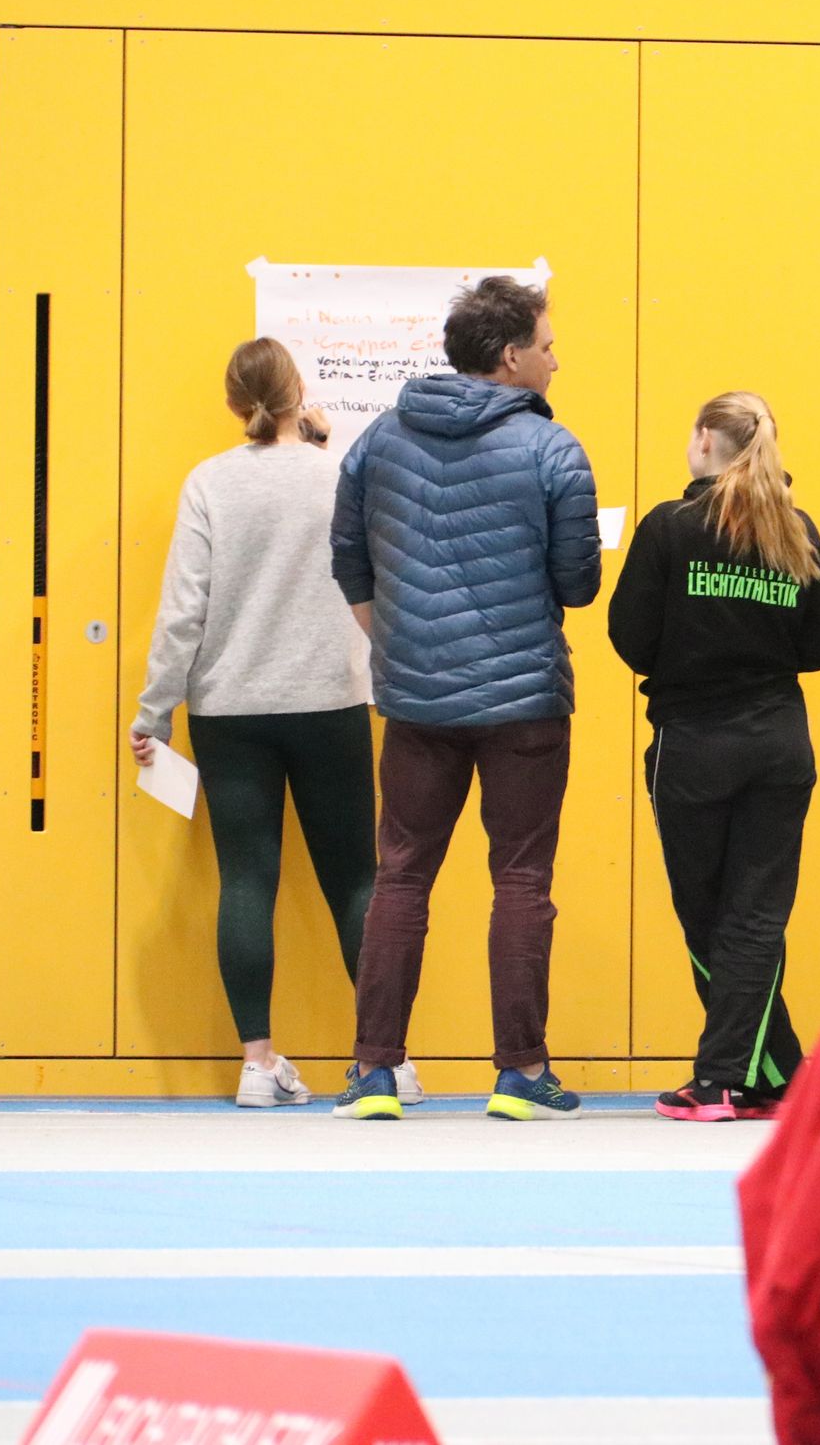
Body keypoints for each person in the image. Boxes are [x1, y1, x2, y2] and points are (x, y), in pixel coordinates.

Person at [329, 276, 601, 1121]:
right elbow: (579, 584)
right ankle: (521, 1073)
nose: (556, 360)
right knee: (520, 878)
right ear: (511, 356)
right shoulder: (553, 450)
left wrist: (400, 644)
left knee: (402, 876)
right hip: (525, 702)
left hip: (415, 704)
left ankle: (374, 1072)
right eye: (548, 346)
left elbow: (348, 560)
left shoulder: (378, 439)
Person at [130, 338, 406, 1109]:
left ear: (232, 402)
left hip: (231, 710)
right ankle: (386, 1061)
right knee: (355, 879)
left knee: (246, 879)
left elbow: (183, 611)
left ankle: (258, 1064)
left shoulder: (210, 483)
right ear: (298, 393)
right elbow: (380, 577)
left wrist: (155, 711)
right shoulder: (339, 476)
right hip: (330, 700)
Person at [607, 392, 820, 1121]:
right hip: (779, 743)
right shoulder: (796, 529)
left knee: (711, 918)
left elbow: (630, 638)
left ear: (706, 438)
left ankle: (718, 1080)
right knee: (755, 917)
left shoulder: (670, 527)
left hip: (693, 745)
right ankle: (780, 1073)